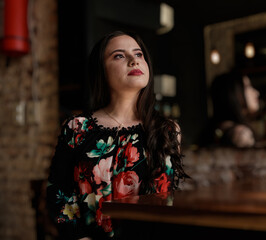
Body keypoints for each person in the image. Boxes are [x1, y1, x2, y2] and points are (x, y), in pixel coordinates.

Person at [46, 30, 187, 240]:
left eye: (138, 54)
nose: (133, 61)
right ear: (101, 70)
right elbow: (58, 193)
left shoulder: (167, 130)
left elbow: (166, 203)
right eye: (119, 55)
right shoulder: (77, 128)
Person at [200, 71, 260, 148]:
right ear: (233, 93)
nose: (256, 93)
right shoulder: (241, 134)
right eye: (248, 86)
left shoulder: (215, 129)